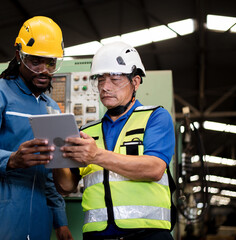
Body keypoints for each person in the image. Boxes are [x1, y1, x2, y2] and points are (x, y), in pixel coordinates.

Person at [0, 16, 73, 240]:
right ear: (19, 55)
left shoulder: (51, 108)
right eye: (35, 61)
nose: (44, 70)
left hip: (40, 219)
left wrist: (60, 221)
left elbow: (51, 174)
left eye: (50, 62)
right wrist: (12, 159)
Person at [53, 41, 176, 240]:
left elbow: (154, 168)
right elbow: (66, 187)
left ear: (135, 82)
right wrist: (55, 156)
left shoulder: (155, 117)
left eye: (115, 79)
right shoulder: (87, 131)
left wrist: (96, 155)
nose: (105, 86)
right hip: (98, 236)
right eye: (101, 79)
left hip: (148, 235)